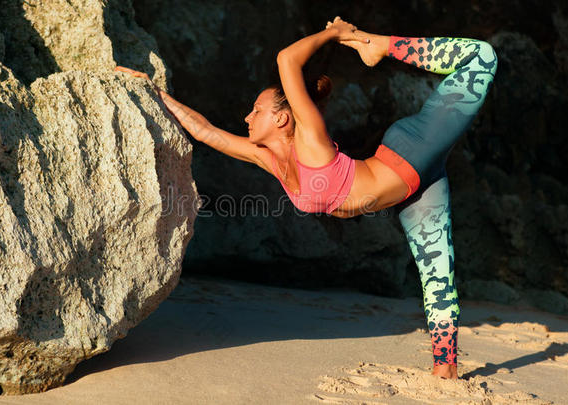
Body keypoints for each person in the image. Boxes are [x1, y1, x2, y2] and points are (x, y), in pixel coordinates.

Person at [115, 16, 497, 379]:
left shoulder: (310, 138)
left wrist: (336, 35)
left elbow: (286, 59)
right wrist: (151, 91)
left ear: (282, 119)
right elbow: (204, 131)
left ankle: (381, 45)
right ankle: (445, 368)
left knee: (482, 58)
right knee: (436, 272)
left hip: (412, 149)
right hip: (414, 185)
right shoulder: (270, 160)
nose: (247, 117)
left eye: (257, 110)